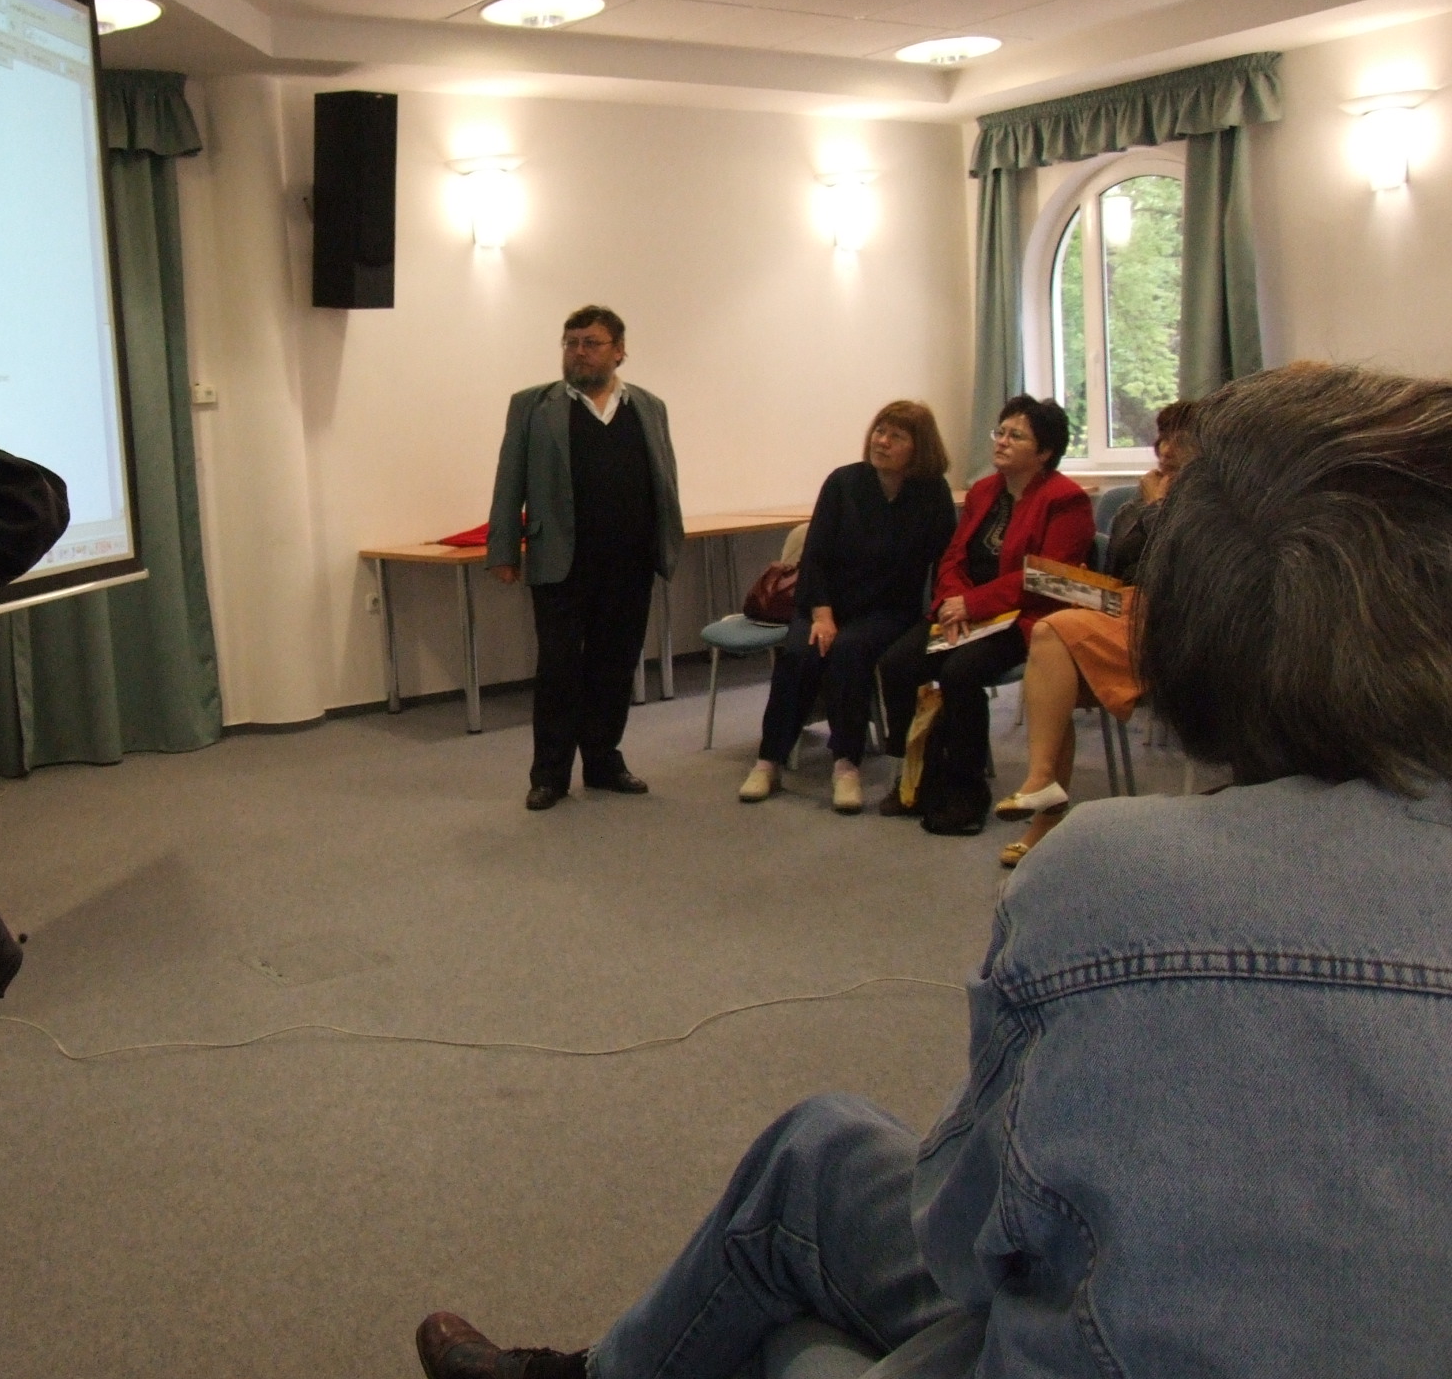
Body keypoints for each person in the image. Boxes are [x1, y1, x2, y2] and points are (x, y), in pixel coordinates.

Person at [412, 360, 1452, 1379]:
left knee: (792, 1310)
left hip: (1095, 1337)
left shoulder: (1112, 881)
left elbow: (965, 1232)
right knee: (820, 1147)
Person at [487, 305, 684, 811]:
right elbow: (509, 481)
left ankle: (603, 761)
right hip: (560, 562)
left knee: (615, 665)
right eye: (570, 342)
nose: (578, 352)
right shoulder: (533, 406)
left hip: (630, 561)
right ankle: (549, 774)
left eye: (590, 343)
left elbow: (665, 479)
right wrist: (503, 550)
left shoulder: (648, 407)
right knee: (558, 669)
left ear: (619, 351)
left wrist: (667, 544)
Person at [874, 395, 1092, 834]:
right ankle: (917, 777)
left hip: (1024, 618)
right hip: (964, 613)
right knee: (896, 663)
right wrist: (952, 603)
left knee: (960, 673)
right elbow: (953, 557)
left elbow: (1045, 578)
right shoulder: (983, 491)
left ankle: (967, 792)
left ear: (1044, 452)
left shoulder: (1066, 500)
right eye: (1001, 432)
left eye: (1017, 436)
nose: (1002, 441)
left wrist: (973, 605)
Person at [992, 400, 1195, 868]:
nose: (1166, 450)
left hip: (1178, 622)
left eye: (1180, 441)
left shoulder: (1214, 501)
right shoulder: (1138, 499)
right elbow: (1122, 568)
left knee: (1053, 637)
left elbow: (1179, 568)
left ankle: (1043, 797)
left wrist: (1158, 508)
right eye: (1162, 439)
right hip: (1125, 609)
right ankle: (1043, 792)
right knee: (1051, 647)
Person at [740, 401, 955, 814]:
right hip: (825, 603)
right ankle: (769, 761)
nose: (881, 441)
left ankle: (846, 764)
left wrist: (944, 608)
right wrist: (822, 615)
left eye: (895, 436)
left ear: (920, 447)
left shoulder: (932, 494)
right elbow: (815, 557)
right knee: (799, 654)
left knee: (849, 652)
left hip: (888, 610)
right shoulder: (843, 483)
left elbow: (947, 560)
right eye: (879, 431)